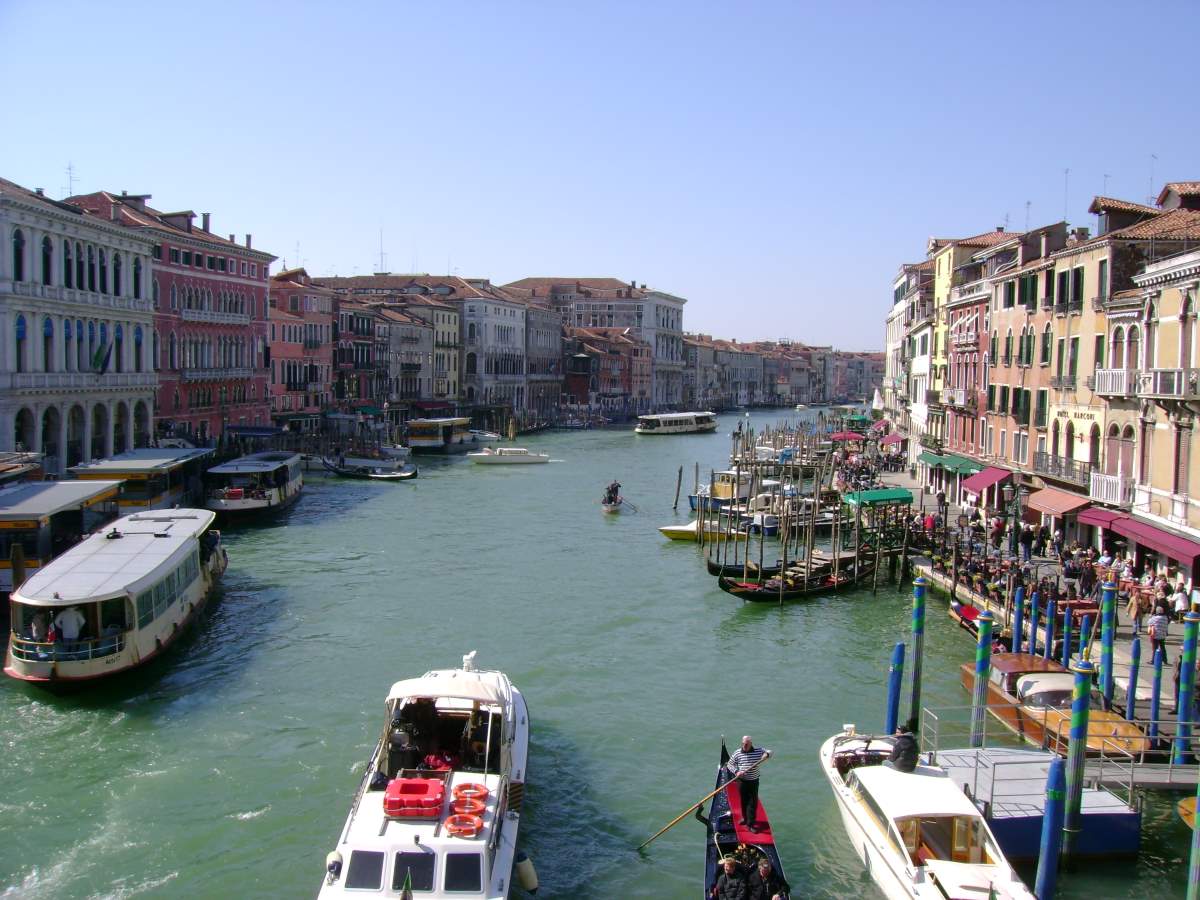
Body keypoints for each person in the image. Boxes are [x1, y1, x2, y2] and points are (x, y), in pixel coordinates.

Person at [725, 736, 771, 832]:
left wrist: (766, 755)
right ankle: (745, 819)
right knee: (744, 800)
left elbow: (770, 752)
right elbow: (729, 764)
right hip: (741, 781)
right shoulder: (737, 752)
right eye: (743, 744)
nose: (744, 746)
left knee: (752, 802)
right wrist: (737, 772)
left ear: (751, 744)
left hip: (753, 781)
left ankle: (750, 824)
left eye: (746, 744)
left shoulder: (758, 751)